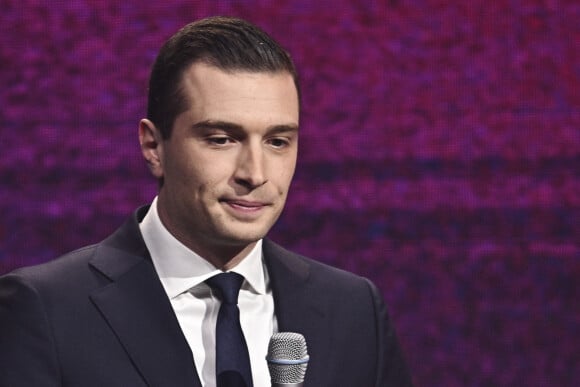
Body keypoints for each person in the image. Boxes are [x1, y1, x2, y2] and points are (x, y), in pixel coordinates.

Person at [0, 16, 413, 387]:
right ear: (153, 146)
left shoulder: (354, 310)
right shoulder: (46, 309)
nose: (255, 173)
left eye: (277, 141)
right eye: (221, 139)